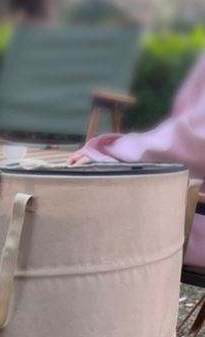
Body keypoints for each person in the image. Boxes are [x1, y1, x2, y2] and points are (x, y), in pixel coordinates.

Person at [69, 54, 205, 274]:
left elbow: (197, 139)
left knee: (75, 204)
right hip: (183, 199)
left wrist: (115, 152)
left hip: (188, 219)